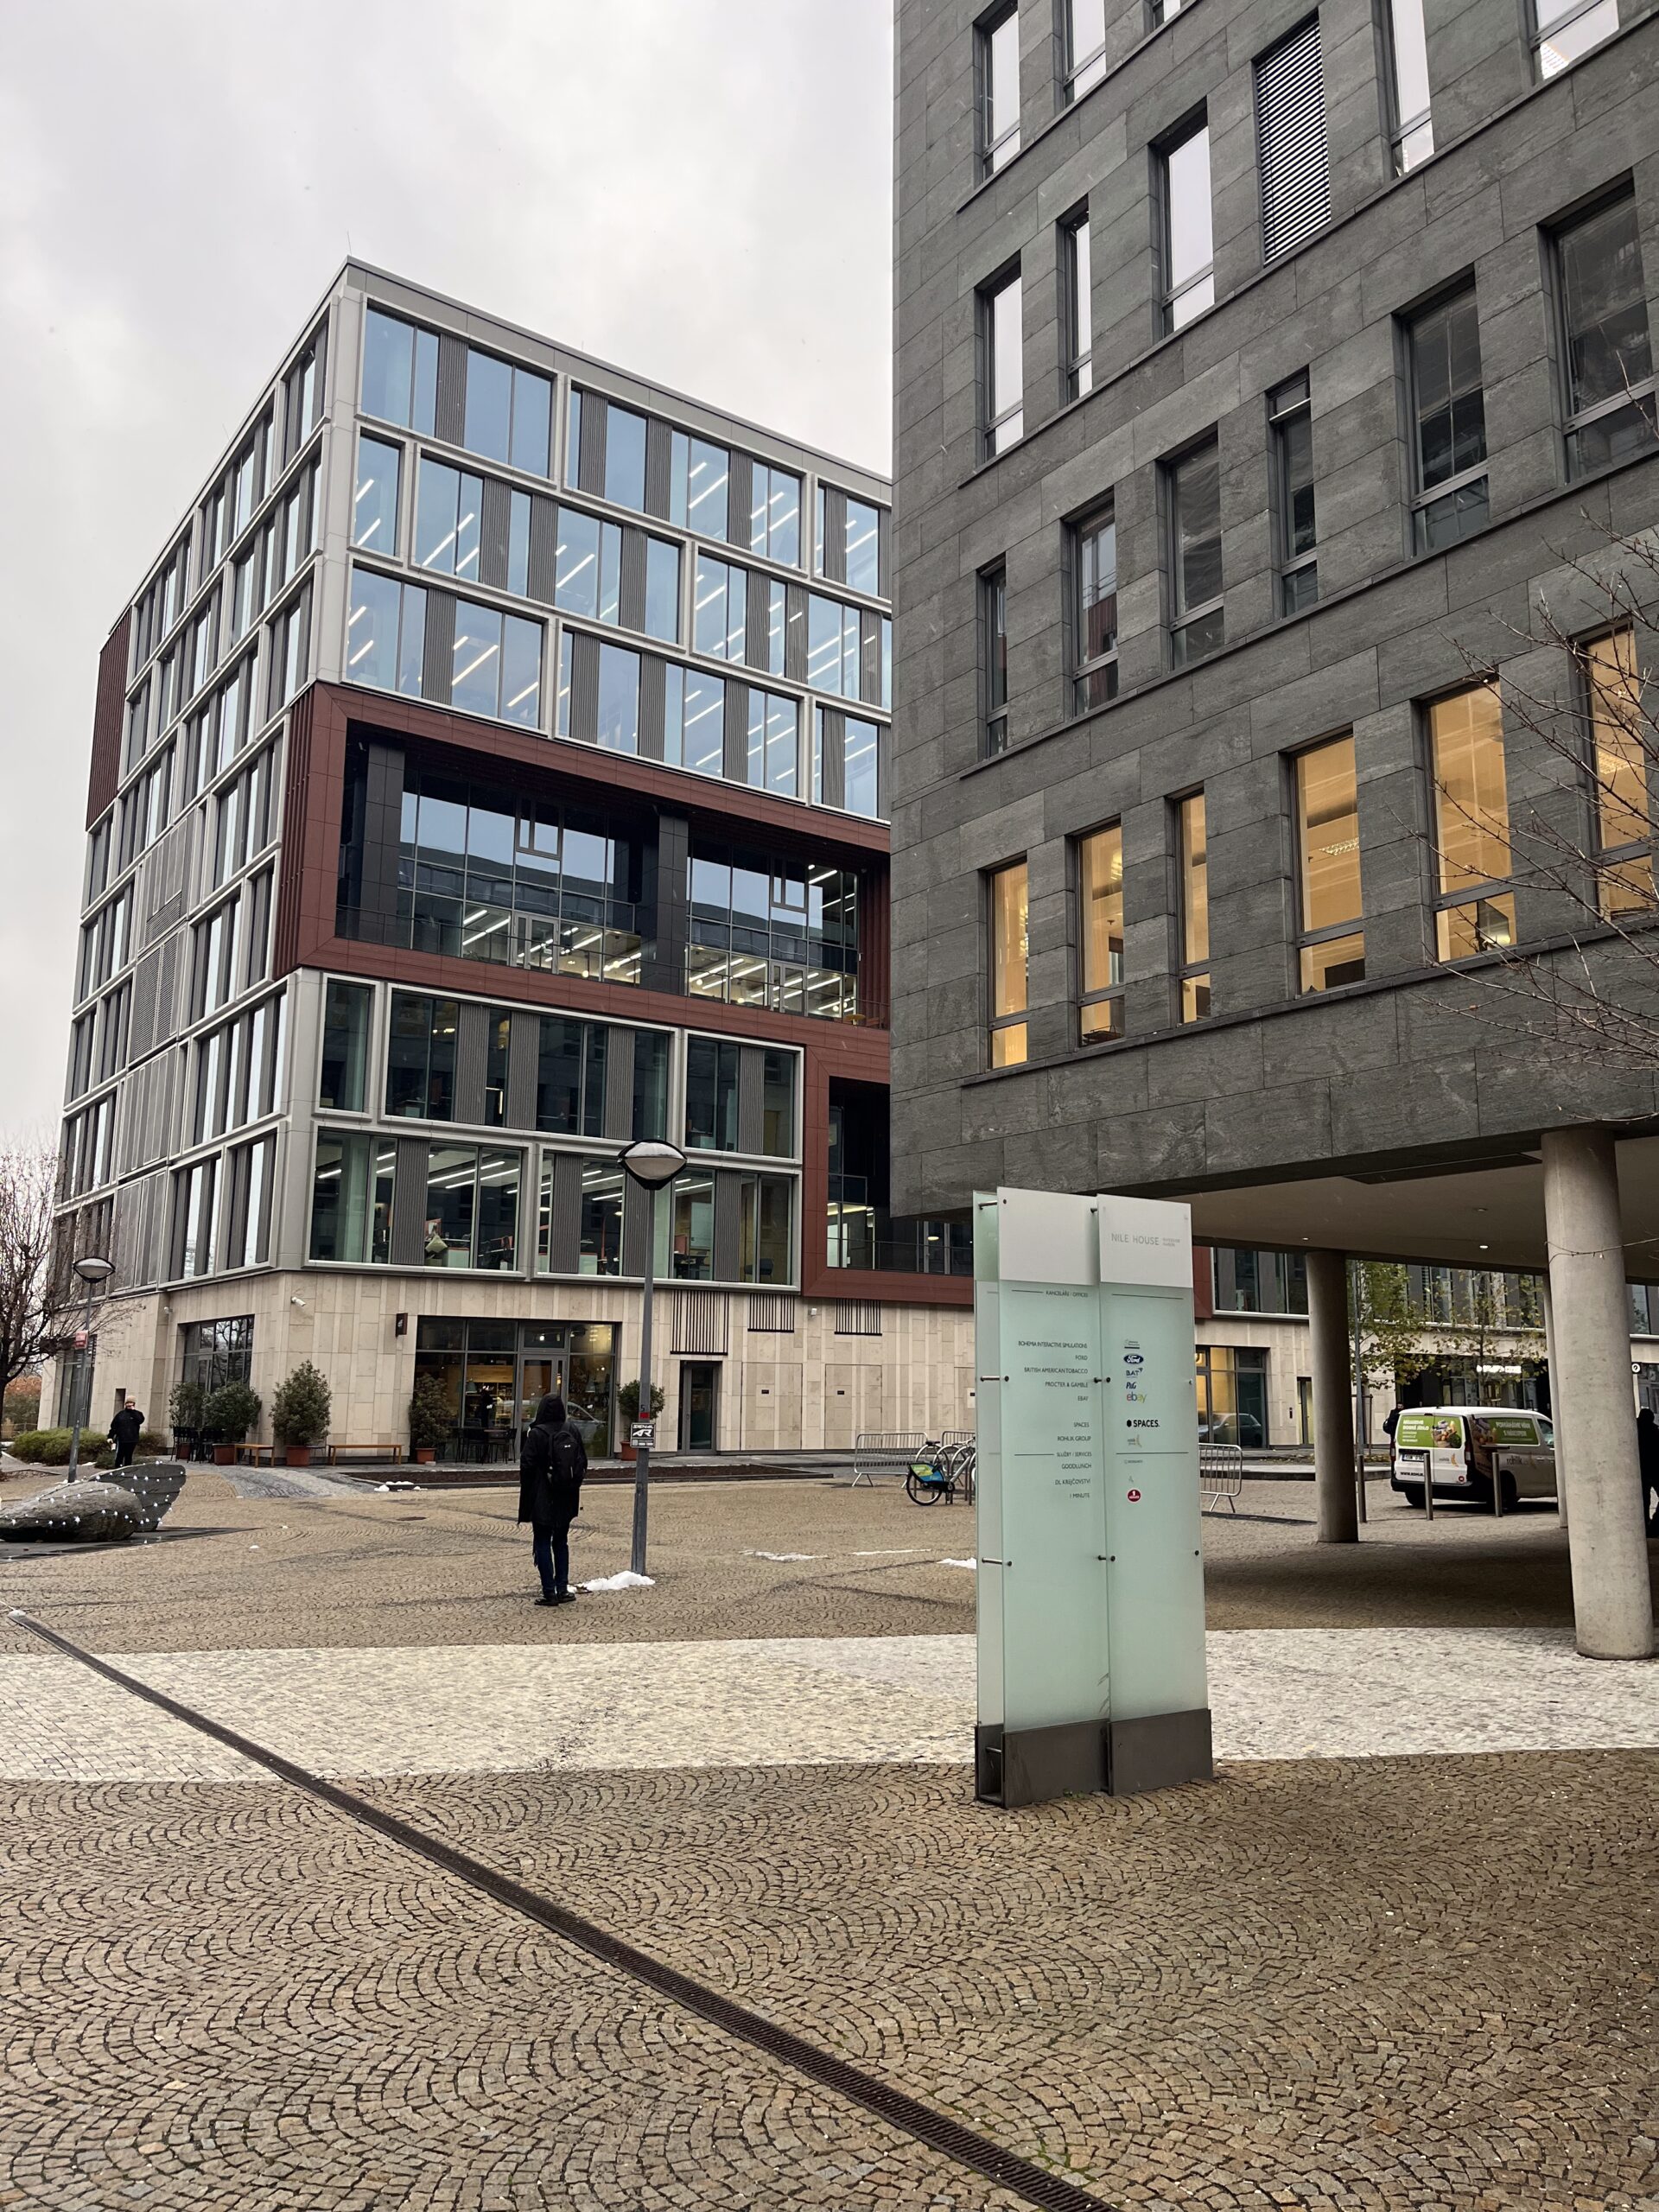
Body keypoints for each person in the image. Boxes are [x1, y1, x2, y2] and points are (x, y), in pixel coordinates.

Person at [518, 1393, 587, 1606]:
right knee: (561, 1541)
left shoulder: (537, 1433)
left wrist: (529, 1492)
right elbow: (582, 1462)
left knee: (542, 1541)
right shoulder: (571, 1430)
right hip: (567, 1495)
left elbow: (526, 1465)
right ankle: (562, 1589)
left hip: (543, 1496)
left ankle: (549, 1592)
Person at [1637, 1408, 1659, 1534]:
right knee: (1644, 1500)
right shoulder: (1653, 1431)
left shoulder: (1635, 1431)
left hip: (1643, 1471)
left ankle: (1647, 1525)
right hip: (1652, 1470)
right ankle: (1653, 1525)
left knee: (1644, 1500)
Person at [107, 1402, 144, 1469]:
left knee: (128, 1456)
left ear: (133, 1404)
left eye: (131, 1403)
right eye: (128, 1403)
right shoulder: (120, 1414)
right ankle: (118, 1469)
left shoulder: (138, 1414)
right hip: (121, 1439)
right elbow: (114, 1427)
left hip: (132, 1439)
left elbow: (140, 1420)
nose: (129, 1405)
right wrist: (110, 1436)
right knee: (119, 1456)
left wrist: (133, 1411)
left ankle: (127, 1470)